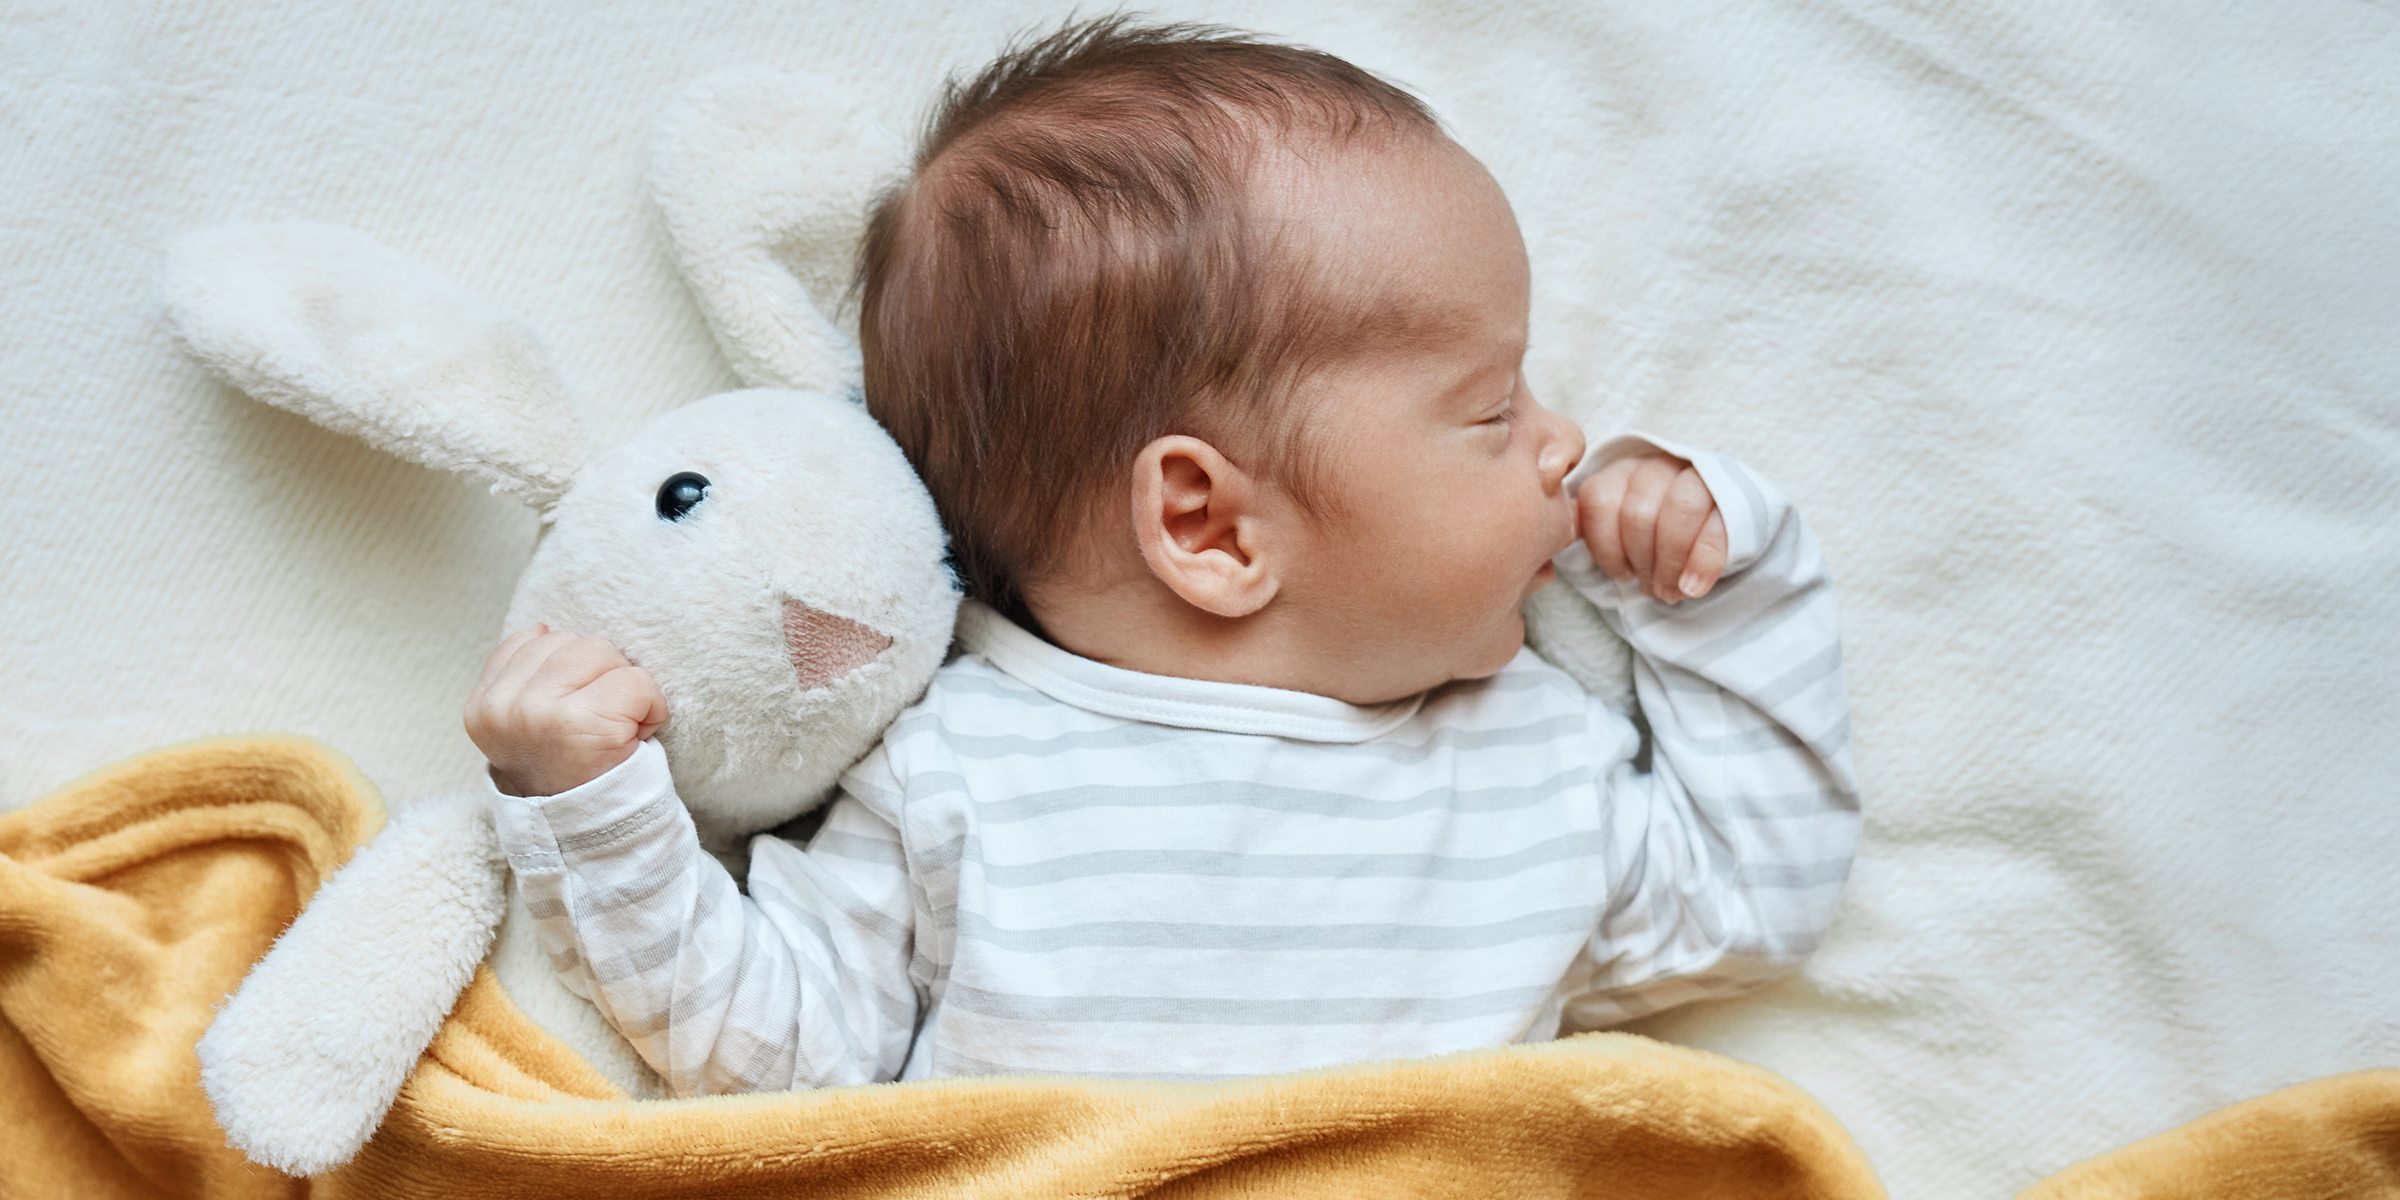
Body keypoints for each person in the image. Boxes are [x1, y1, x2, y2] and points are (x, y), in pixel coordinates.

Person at [466, 17, 1859, 1096]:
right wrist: (600, 810)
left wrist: (1714, 582)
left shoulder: (1533, 768)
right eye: (1495, 414)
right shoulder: (960, 781)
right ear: (1208, 527)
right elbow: (771, 1051)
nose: (1567, 448)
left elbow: (1757, 891)